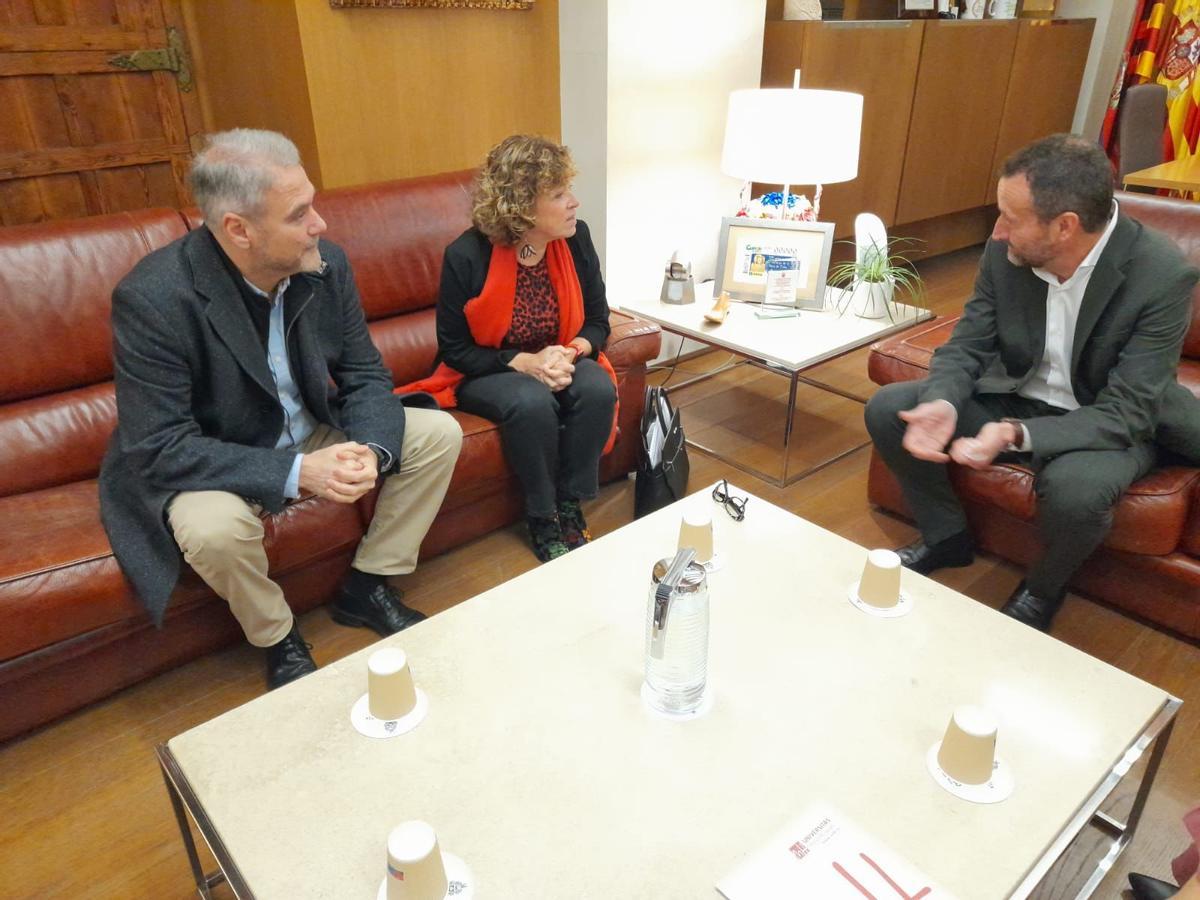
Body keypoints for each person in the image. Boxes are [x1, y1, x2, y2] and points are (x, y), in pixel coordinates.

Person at [100, 129, 463, 689]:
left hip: (310, 430)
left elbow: (364, 373)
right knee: (213, 531)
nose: (320, 224)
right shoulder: (154, 299)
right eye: (299, 214)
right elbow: (159, 447)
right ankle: (277, 635)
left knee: (436, 433)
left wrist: (370, 448)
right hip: (217, 458)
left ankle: (367, 585)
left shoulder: (325, 265)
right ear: (238, 230)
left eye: (312, 203)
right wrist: (296, 472)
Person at [865, 133, 1200, 632]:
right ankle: (947, 537)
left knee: (1076, 492)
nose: (997, 231)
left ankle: (1043, 589)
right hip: (1018, 395)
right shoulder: (1006, 253)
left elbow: (1128, 410)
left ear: (1065, 227)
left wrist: (1016, 435)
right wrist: (942, 402)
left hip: (1101, 419)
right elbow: (969, 344)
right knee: (890, 408)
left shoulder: (1161, 275)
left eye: (1010, 218)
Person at [400, 135, 618, 563]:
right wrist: (525, 363)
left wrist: (569, 353)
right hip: (486, 369)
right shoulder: (467, 255)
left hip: (559, 356)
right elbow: (455, 348)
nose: (574, 202)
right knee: (530, 398)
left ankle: (570, 501)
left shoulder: (576, 239)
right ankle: (540, 513)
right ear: (521, 206)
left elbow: (598, 320)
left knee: (595, 388)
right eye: (559, 194)